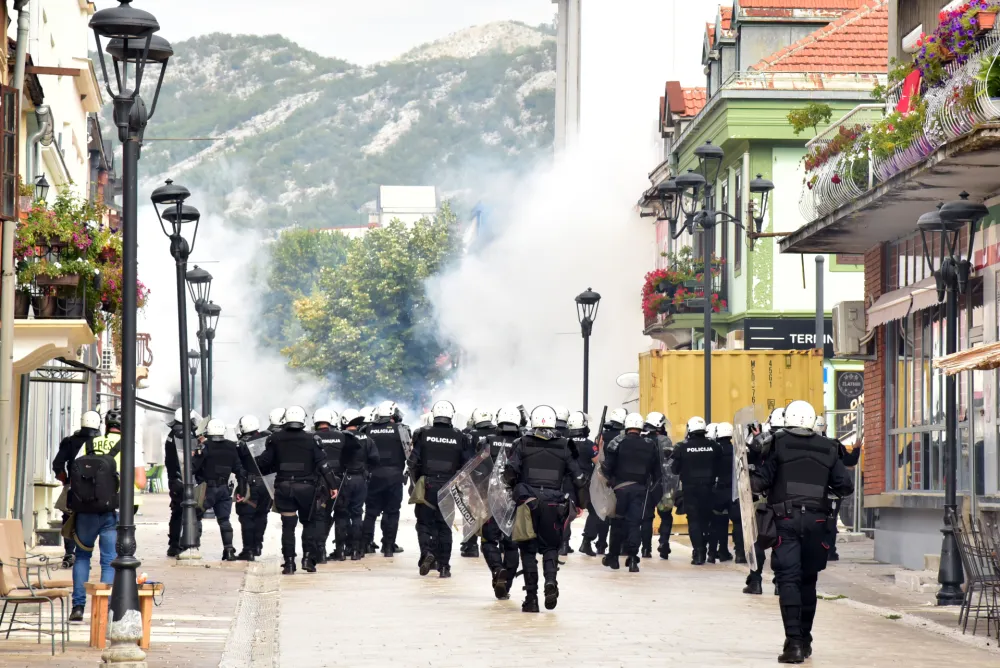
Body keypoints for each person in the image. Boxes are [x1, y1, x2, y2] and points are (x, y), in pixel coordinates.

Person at [751, 400, 853, 663]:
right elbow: (845, 486)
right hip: (818, 524)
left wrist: (747, 476)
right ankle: (805, 640)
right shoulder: (830, 447)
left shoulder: (776, 443)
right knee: (809, 581)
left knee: (788, 580)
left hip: (785, 520)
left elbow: (760, 482)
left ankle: (794, 643)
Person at [503, 405, 588, 612]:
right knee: (550, 548)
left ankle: (531, 599)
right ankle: (551, 581)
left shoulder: (521, 443)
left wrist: (514, 488)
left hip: (528, 503)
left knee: (528, 550)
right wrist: (581, 505)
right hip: (554, 503)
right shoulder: (565, 445)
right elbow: (579, 478)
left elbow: (509, 472)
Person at [67, 410, 139, 622]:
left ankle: (78, 607)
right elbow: (141, 481)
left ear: (105, 425)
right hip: (110, 511)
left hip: (85, 511)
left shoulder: (90, 444)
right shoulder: (128, 446)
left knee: (82, 557)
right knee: (108, 561)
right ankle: (106, 608)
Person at [255, 406, 340, 574]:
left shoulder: (274, 439)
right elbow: (323, 465)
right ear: (303, 420)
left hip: (284, 487)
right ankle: (308, 559)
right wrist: (333, 486)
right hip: (307, 489)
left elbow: (264, 463)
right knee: (309, 523)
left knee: (288, 526)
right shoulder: (312, 439)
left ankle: (289, 563)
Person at [408, 400, 472, 578]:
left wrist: (416, 483)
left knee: (423, 523)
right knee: (444, 527)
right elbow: (468, 465)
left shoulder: (422, 434)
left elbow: (412, 461)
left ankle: (427, 552)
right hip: (449, 487)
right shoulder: (460, 436)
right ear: (451, 415)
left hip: (427, 485)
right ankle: (444, 567)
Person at [602, 413, 661, 572]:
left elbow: (607, 467)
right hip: (641, 491)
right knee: (635, 524)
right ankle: (633, 558)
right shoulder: (650, 444)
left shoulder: (617, 442)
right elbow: (657, 473)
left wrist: (610, 479)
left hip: (620, 490)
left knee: (617, 523)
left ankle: (613, 558)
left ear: (626, 426)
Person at [479, 406, 522, 599]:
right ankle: (506, 586)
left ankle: (497, 570)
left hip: (491, 499)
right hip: (516, 500)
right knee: (512, 545)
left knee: (489, 541)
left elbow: (477, 470)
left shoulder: (487, 442)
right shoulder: (524, 442)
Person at [52, 410, 102, 568]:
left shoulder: (70, 441)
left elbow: (58, 464)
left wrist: (65, 481)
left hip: (73, 486)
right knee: (90, 520)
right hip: (96, 488)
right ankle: (84, 554)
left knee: (68, 519)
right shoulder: (100, 441)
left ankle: (69, 552)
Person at [745, 408, 785, 594]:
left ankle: (756, 580)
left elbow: (750, 459)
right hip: (788, 502)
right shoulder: (797, 443)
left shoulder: (765, 443)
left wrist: (756, 436)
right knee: (783, 542)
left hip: (764, 501)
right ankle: (780, 582)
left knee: (758, 540)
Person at [363, 400, 410, 557]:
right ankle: (389, 546)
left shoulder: (368, 429)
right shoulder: (402, 429)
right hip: (395, 476)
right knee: (392, 512)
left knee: (370, 512)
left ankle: (366, 544)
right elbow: (409, 455)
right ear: (392, 414)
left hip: (373, 476)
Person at [671, 416, 720, 565]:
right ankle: (709, 550)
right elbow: (720, 468)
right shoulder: (715, 446)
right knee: (708, 519)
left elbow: (674, 469)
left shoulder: (681, 447)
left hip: (690, 490)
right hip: (709, 489)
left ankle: (698, 553)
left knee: (694, 520)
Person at [194, 419, 245, 561]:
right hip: (224, 489)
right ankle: (229, 550)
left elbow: (193, 467)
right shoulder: (231, 446)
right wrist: (240, 489)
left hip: (206, 489)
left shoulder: (204, 447)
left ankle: (193, 547)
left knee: (195, 515)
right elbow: (239, 469)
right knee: (224, 520)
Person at [338, 409, 380, 559]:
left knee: (342, 514)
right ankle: (356, 550)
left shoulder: (340, 437)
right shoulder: (367, 439)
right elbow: (375, 459)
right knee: (357, 514)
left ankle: (341, 550)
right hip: (361, 480)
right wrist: (367, 471)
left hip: (343, 479)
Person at [459, 408, 495, 558]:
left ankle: (470, 546)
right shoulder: (497, 435)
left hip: (475, 480)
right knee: (492, 513)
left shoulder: (469, 434)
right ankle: (491, 543)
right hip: (495, 481)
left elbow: (465, 458)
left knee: (471, 513)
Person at [234, 415, 270, 561]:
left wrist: (241, 490)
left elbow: (239, 469)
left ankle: (248, 550)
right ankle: (258, 545)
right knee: (262, 515)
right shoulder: (268, 440)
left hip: (250, 484)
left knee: (246, 516)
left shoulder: (241, 445)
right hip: (267, 484)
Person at [640, 412, 673, 560]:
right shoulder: (664, 440)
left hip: (645, 485)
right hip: (662, 485)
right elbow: (669, 464)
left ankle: (646, 549)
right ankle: (664, 543)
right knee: (666, 516)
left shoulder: (641, 439)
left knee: (646, 518)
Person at [709, 422, 738, 563]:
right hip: (733, 491)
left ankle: (712, 553)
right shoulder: (736, 450)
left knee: (717, 523)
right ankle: (740, 554)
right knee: (737, 523)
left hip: (718, 490)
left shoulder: (714, 450)